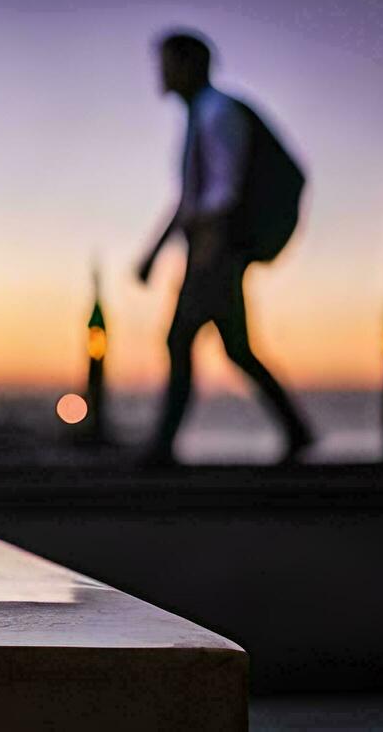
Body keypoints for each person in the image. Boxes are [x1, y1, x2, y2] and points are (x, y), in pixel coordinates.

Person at [136, 30, 314, 465]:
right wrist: (154, 253)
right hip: (211, 247)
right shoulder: (201, 117)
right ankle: (296, 428)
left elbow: (222, 195)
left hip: (216, 248)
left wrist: (209, 255)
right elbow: (189, 197)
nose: (161, 72)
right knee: (234, 347)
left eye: (167, 62)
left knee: (181, 340)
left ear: (189, 65)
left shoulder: (219, 114)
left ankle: (162, 447)